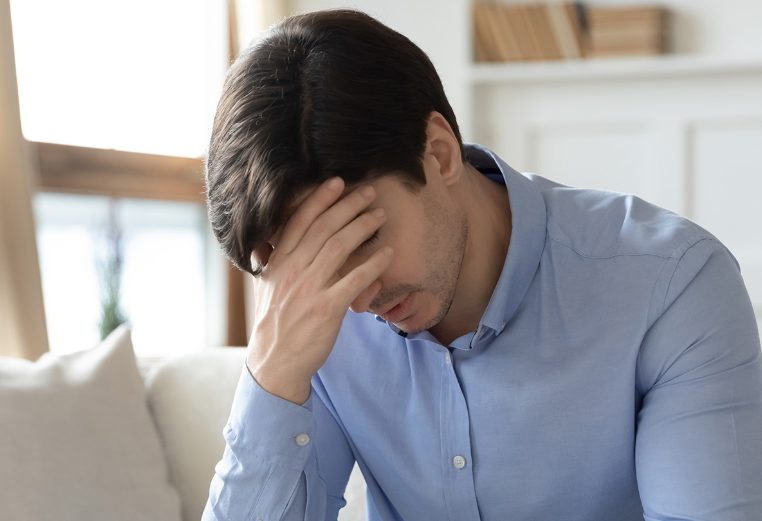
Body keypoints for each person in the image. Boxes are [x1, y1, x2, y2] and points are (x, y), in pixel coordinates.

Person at [201, 9, 762, 521]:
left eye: (361, 239)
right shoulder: (319, 317)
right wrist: (271, 373)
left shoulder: (673, 285)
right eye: (313, 264)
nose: (353, 297)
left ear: (439, 153)